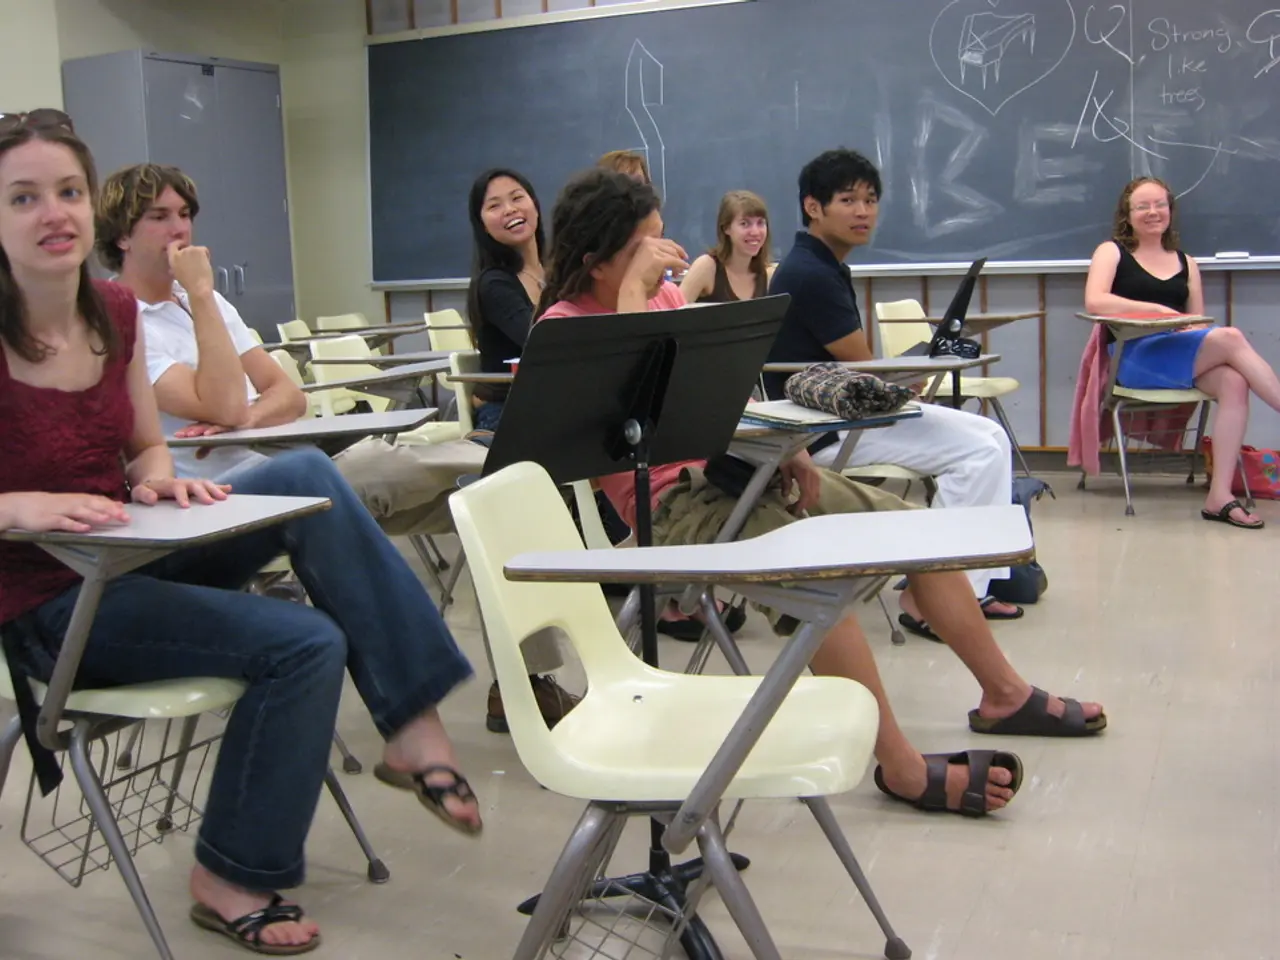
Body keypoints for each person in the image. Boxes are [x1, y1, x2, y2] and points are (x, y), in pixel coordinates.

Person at [0, 111, 480, 955]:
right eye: (23, 197)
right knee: (301, 642)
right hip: (50, 604)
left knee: (307, 475)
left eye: (68, 190)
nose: (54, 213)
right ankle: (231, 873)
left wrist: (156, 473)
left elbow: (145, 442)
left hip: (135, 554)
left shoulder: (110, 310)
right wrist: (17, 506)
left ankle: (411, 726)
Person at [535, 168, 1108, 820]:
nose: (664, 261)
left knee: (918, 533)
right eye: (646, 248)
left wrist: (792, 449)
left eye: (663, 244)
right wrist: (639, 294)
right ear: (596, 255)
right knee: (820, 584)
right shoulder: (565, 327)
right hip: (672, 509)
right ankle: (902, 767)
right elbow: (641, 424)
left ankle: (1003, 693)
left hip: (737, 474)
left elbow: (720, 390)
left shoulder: (663, 300)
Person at [94, 162, 564, 735]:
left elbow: (286, 397)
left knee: (499, 503)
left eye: (186, 215)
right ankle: (494, 455)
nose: (181, 231)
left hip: (287, 475)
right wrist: (202, 306)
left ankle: (524, 685)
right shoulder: (124, 319)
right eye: (160, 217)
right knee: (380, 462)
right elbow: (222, 404)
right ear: (121, 232)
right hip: (226, 505)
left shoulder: (210, 307)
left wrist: (238, 407)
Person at [765, 148, 1023, 638]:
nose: (864, 212)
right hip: (824, 431)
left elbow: (858, 366)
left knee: (989, 438)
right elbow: (862, 364)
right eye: (848, 200)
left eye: (871, 200)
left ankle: (953, 588)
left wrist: (903, 378)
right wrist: (900, 380)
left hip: (840, 413)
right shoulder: (810, 273)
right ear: (813, 207)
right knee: (978, 450)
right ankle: (937, 596)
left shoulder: (821, 263)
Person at [1082, 176, 1280, 529]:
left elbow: (1197, 322)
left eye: (1160, 204)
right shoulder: (1111, 251)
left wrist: (1186, 327)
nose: (1153, 212)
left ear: (1170, 211)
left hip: (1178, 352)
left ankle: (1219, 496)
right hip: (1135, 357)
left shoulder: (1186, 262)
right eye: (1142, 206)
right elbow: (1095, 301)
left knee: (1234, 380)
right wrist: (1156, 311)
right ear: (1127, 214)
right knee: (1231, 337)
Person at [679, 189, 772, 304]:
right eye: (744, 224)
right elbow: (673, 316)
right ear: (726, 228)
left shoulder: (767, 275)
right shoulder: (707, 267)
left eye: (760, 223)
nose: (755, 232)